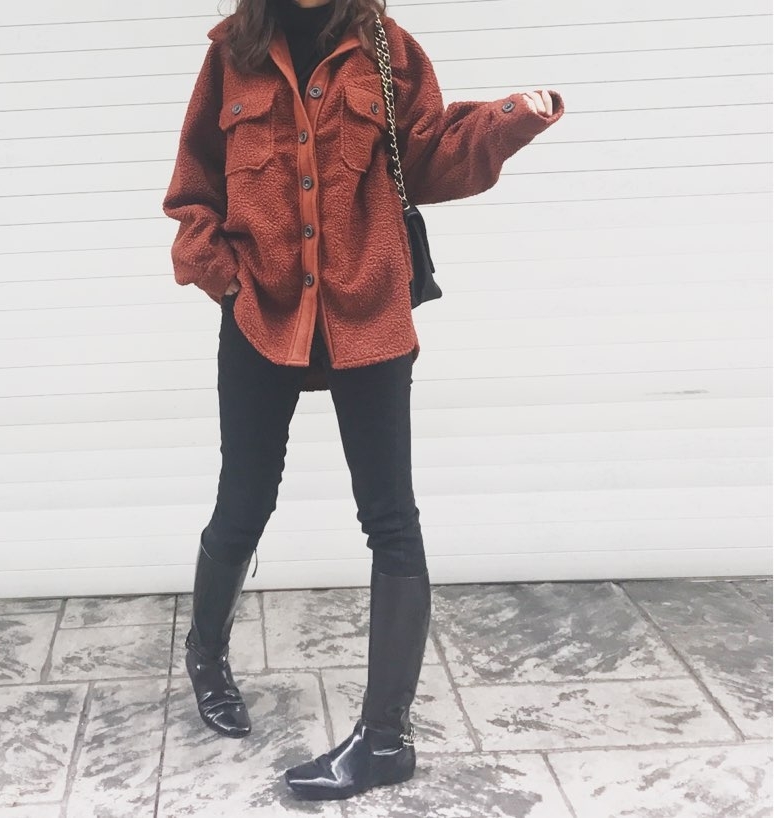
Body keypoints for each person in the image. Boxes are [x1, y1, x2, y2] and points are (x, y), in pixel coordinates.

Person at [162, 0, 564, 801]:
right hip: (262, 312)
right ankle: (206, 658)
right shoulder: (233, 55)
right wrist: (223, 275)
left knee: (391, 518)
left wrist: (508, 120)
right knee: (243, 502)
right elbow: (193, 184)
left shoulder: (386, 47)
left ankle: (385, 740)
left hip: (368, 313)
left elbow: (432, 158)